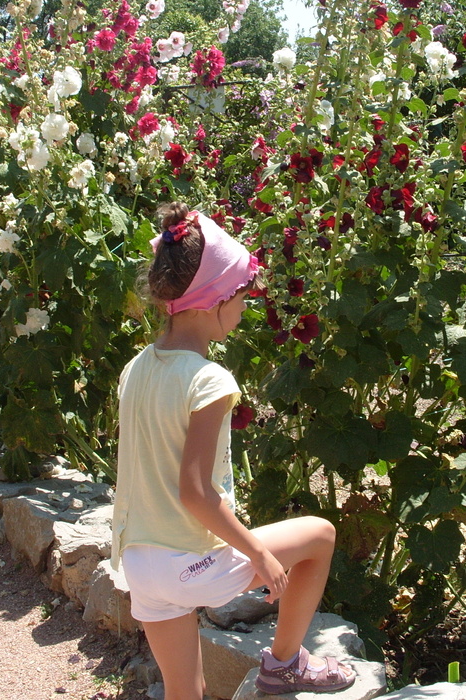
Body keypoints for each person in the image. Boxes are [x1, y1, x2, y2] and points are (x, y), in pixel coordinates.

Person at [111, 203, 355, 700]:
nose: (245, 306)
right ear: (212, 300)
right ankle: (284, 666)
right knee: (321, 537)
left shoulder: (136, 368)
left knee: (186, 691)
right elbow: (196, 493)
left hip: (138, 562)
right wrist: (259, 554)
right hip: (188, 565)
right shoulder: (209, 380)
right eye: (241, 295)